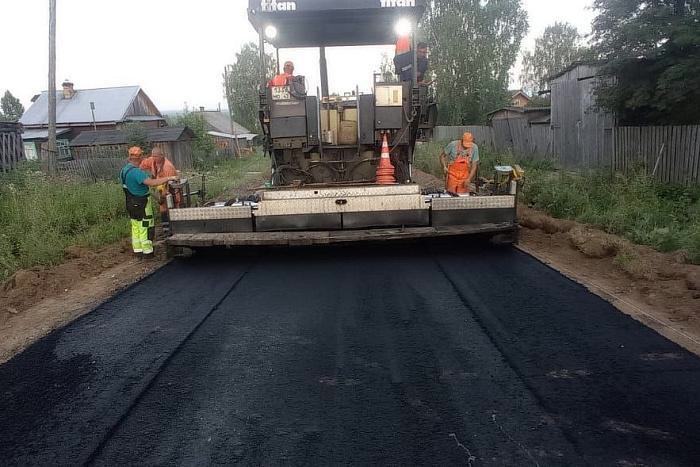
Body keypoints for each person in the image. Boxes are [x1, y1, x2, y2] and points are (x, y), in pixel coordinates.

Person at [120, 146, 178, 258]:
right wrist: (169, 178)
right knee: (145, 226)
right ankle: (147, 252)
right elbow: (151, 182)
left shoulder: (124, 170)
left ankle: (138, 250)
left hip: (130, 202)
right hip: (142, 204)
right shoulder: (137, 172)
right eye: (141, 156)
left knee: (136, 226)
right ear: (139, 157)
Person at [140, 146, 178, 234]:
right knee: (162, 210)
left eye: (156, 157)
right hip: (159, 190)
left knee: (171, 208)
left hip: (169, 191)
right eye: (153, 156)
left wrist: (163, 196)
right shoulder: (151, 160)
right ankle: (166, 230)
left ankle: (171, 230)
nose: (154, 159)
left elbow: (171, 185)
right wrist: (140, 176)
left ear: (162, 156)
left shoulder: (168, 167)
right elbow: (140, 166)